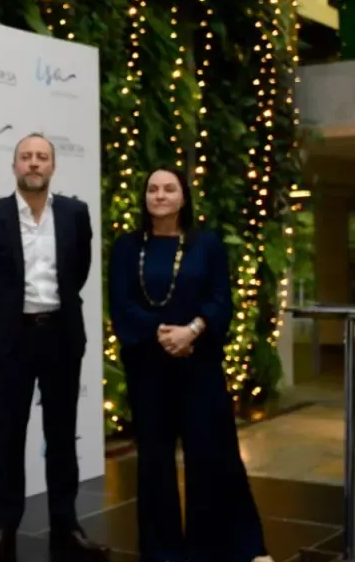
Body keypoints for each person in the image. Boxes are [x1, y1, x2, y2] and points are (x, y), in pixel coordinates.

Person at [108, 167, 272, 562]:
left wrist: (192, 332)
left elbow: (220, 299)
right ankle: (162, 551)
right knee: (155, 461)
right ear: (145, 197)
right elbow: (121, 304)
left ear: (183, 197)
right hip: (149, 368)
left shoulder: (207, 244)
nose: (160, 195)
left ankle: (223, 548)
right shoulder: (128, 247)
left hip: (199, 366)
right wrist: (164, 334)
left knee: (212, 456)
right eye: (153, 189)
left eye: (169, 189)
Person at [0, 133, 110, 562]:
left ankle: (67, 525)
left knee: (62, 434)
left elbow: (78, 271)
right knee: (8, 434)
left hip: (60, 335)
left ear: (52, 166)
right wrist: (11, 308)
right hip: (10, 338)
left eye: (41, 157)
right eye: (26, 157)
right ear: (14, 166)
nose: (34, 163)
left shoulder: (74, 214)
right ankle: (4, 528)